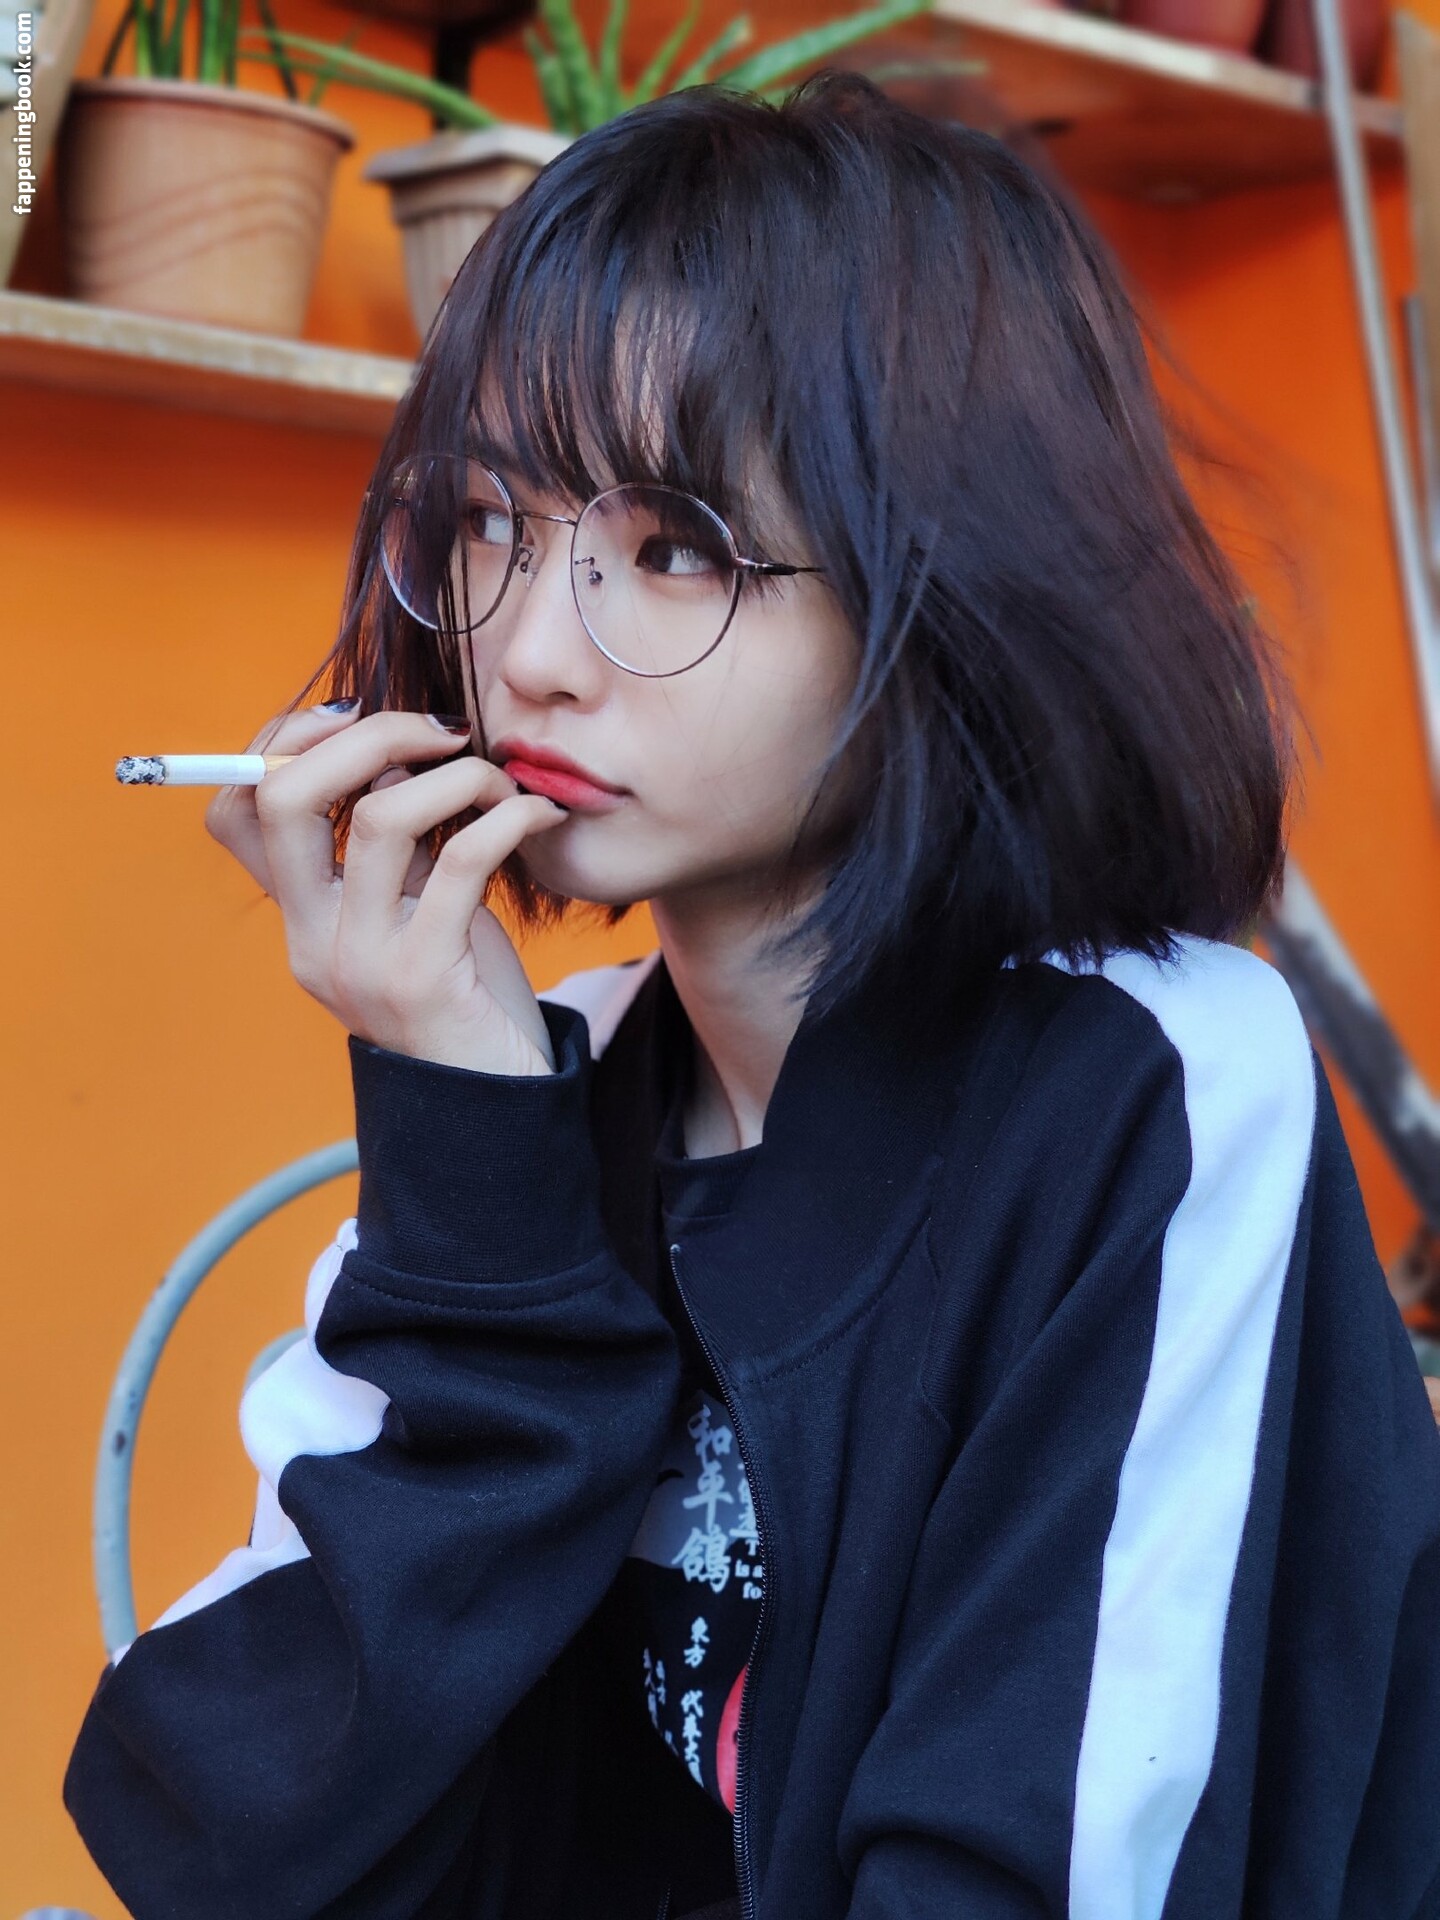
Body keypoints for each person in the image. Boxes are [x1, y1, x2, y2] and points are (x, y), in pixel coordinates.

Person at [65, 73, 1440, 1920]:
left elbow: (1027, 1870)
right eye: (487, 524)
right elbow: (227, 1838)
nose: (529, 654)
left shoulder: (1157, 1077)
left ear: (943, 586)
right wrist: (468, 1158)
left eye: (675, 552)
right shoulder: (550, 1083)